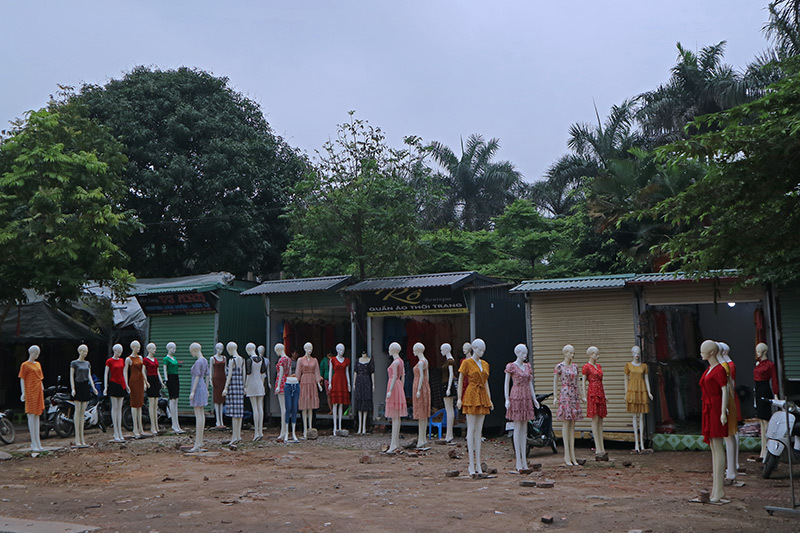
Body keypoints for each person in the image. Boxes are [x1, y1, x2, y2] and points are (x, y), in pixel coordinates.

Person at [457, 338, 493, 477]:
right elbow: (460, 380)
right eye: (479, 349)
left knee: (479, 432)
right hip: (471, 395)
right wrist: (459, 398)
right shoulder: (467, 363)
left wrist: (489, 399)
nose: (482, 352)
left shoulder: (485, 364)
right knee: (471, 430)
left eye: (483, 350)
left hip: (482, 395)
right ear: (474, 348)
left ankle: (478, 464)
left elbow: (486, 382)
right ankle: (471, 464)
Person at [699, 339, 729, 503]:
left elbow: (725, 390)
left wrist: (723, 412)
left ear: (711, 352)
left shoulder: (719, 370)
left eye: (703, 350)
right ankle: (715, 488)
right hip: (708, 408)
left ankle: (720, 489)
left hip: (716, 408)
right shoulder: (710, 369)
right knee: (713, 448)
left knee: (718, 448)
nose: (701, 353)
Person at [504, 343, 538, 472]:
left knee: (524, 429)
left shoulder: (527, 367)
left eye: (526, 353)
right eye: (523, 353)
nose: (525, 355)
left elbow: (530, 383)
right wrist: (507, 399)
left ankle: (524, 459)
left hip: (526, 396)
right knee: (517, 428)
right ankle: (518, 460)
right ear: (517, 353)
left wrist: (534, 398)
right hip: (516, 396)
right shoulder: (511, 367)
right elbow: (506, 384)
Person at [553, 344, 581, 466]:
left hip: (574, 394)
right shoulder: (559, 367)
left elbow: (578, 382)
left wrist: (580, 395)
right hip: (565, 394)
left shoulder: (575, 367)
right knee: (566, 423)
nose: (572, 355)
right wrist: (555, 397)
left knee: (573, 425)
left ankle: (573, 455)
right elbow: (555, 382)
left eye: (573, 353)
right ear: (565, 353)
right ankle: (566, 455)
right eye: (570, 353)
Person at [624, 346, 652, 453]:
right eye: (635, 352)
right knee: (634, 416)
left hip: (642, 391)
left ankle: (642, 443)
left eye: (638, 353)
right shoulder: (628, 366)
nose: (637, 355)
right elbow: (626, 380)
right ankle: (636, 443)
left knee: (641, 417)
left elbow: (646, 379)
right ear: (632, 353)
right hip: (632, 391)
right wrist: (626, 393)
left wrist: (649, 392)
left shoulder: (644, 366)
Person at [581, 346, 607, 458]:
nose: (597, 356)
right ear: (591, 354)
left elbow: (601, 381)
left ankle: (602, 447)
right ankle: (597, 447)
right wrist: (583, 395)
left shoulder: (598, 366)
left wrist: (604, 396)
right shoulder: (586, 367)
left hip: (600, 391)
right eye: (596, 354)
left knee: (601, 419)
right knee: (595, 419)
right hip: (592, 392)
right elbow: (583, 382)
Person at [70, 344, 97, 448]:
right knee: (77, 412)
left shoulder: (87, 363)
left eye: (86, 351)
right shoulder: (74, 363)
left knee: (83, 413)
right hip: (78, 385)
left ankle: (82, 438)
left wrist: (93, 387)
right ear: (80, 351)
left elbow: (89, 375)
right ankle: (77, 438)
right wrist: (73, 388)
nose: (85, 353)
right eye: (84, 351)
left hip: (85, 386)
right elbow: (71, 376)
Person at [753, 342, 778, 460]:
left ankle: (768, 450)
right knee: (761, 421)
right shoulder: (758, 363)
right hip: (758, 390)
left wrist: (776, 394)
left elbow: (774, 380)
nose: (757, 353)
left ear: (764, 352)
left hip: (764, 389)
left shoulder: (770, 365)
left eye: (759, 351)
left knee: (766, 420)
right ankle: (763, 450)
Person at [19, 345, 45, 452]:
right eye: (36, 353)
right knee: (31, 415)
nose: (37, 355)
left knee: (37, 415)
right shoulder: (25, 365)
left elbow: (40, 378)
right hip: (30, 391)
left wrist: (42, 388)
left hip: (38, 390)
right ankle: (33, 442)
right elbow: (22, 379)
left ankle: (38, 442)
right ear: (31, 353)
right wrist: (23, 392)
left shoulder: (38, 364)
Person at [222, 341, 245, 446]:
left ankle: (234, 436)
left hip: (233, 386)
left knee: (234, 414)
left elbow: (229, 375)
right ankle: (238, 435)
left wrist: (225, 388)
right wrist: (244, 387)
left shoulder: (232, 361)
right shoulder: (242, 360)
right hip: (240, 387)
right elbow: (244, 375)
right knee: (239, 413)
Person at [297, 342, 322, 439]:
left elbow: (317, 372)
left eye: (311, 347)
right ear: (304, 348)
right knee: (304, 407)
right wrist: (296, 383)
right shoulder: (300, 360)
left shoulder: (314, 360)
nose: (309, 349)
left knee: (311, 407)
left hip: (312, 383)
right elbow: (298, 373)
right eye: (307, 347)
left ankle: (310, 428)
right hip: (304, 382)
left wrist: (319, 384)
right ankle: (304, 429)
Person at [384, 342, 406, 453]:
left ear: (393, 350)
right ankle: (395, 442)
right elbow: (403, 375)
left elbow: (393, 377)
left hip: (394, 386)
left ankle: (394, 443)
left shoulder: (395, 363)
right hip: (399, 386)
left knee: (394, 416)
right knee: (397, 417)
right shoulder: (401, 361)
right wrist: (402, 387)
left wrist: (390, 391)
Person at [188, 342, 209, 452]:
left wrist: (192, 391)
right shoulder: (205, 360)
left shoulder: (198, 362)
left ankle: (197, 442)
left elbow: (197, 377)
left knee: (198, 414)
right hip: (202, 387)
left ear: (194, 350)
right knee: (201, 413)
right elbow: (207, 376)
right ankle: (199, 441)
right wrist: (207, 388)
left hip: (197, 387)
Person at [124, 340, 148, 439]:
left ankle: (140, 427)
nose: (138, 349)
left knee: (140, 404)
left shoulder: (140, 358)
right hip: (133, 381)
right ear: (133, 347)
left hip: (140, 381)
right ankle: (135, 428)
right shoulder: (128, 359)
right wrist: (126, 384)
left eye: (139, 347)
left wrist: (145, 381)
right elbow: (125, 371)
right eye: (137, 347)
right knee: (134, 404)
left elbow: (142, 370)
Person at [104, 344, 127, 442]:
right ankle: (115, 431)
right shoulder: (109, 361)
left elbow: (124, 373)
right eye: (118, 351)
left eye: (121, 351)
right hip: (113, 384)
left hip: (121, 384)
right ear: (115, 351)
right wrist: (105, 387)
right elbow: (106, 374)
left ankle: (120, 431)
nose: (119, 353)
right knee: (115, 407)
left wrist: (126, 384)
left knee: (120, 408)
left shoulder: (122, 360)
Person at [328, 343, 351, 436]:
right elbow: (330, 371)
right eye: (340, 350)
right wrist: (330, 383)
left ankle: (340, 426)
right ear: (337, 350)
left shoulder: (346, 361)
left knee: (341, 404)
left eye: (343, 350)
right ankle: (334, 427)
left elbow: (347, 372)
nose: (342, 352)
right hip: (335, 380)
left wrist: (349, 383)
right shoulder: (332, 360)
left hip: (343, 381)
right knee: (335, 404)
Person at [143, 343, 165, 435]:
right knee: (151, 404)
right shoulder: (145, 360)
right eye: (153, 348)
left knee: (156, 404)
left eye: (155, 348)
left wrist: (161, 382)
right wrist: (145, 381)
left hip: (156, 380)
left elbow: (158, 371)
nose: (154, 350)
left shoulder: (155, 360)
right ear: (149, 349)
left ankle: (156, 425)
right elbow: (143, 371)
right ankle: (152, 426)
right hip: (150, 380)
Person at [411, 343, 431, 448]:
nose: (413, 352)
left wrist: (419, 389)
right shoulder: (425, 361)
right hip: (424, 387)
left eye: (414, 350)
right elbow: (427, 377)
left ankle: (421, 439)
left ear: (418, 350)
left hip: (420, 386)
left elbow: (422, 376)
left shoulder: (420, 363)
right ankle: (422, 438)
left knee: (421, 413)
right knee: (423, 414)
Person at [162, 342, 184, 434]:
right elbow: (164, 370)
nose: (174, 350)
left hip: (176, 378)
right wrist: (166, 380)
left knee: (176, 400)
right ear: (169, 348)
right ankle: (173, 424)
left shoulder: (174, 358)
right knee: (172, 399)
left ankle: (177, 424)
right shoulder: (166, 359)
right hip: (170, 378)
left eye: (175, 348)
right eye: (172, 348)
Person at [352, 351, 374, 435]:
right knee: (359, 404)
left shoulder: (369, 361)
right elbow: (355, 372)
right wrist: (354, 383)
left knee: (365, 405)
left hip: (367, 382)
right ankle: (359, 427)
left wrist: (373, 384)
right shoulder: (357, 361)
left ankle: (364, 427)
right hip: (359, 382)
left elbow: (372, 373)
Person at [440, 343, 457, 443]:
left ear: (446, 350)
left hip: (447, 385)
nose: (441, 352)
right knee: (448, 410)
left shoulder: (450, 361)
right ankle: (448, 434)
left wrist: (449, 388)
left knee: (449, 410)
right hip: (446, 385)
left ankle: (449, 434)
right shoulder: (448, 360)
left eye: (442, 350)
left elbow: (451, 375)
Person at [211, 343, 227, 429]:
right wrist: (210, 380)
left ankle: (221, 420)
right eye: (219, 349)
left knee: (222, 400)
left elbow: (225, 369)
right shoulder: (212, 358)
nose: (220, 351)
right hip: (216, 379)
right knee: (217, 400)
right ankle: (217, 420)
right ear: (216, 348)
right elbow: (211, 370)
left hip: (223, 379)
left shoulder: (224, 358)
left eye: (222, 349)